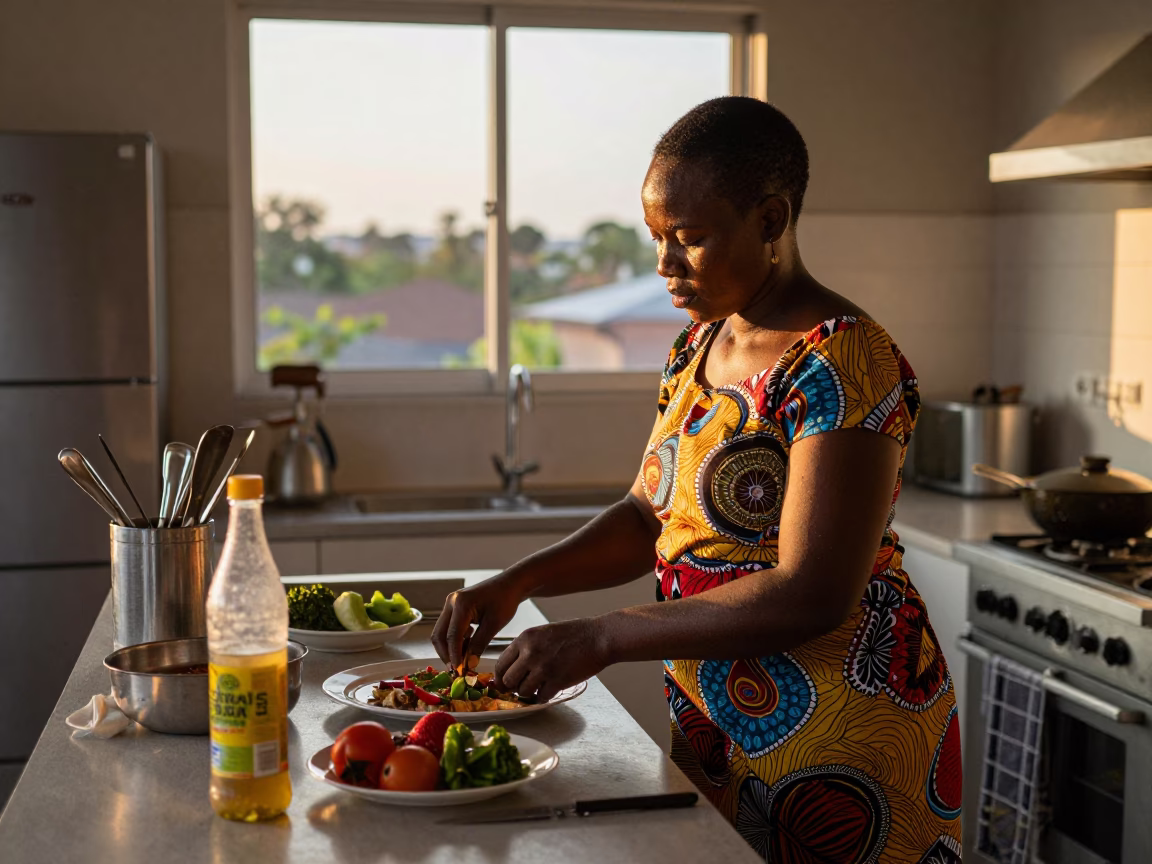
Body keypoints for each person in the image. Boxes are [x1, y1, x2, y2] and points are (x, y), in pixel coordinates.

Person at [432, 97, 962, 864]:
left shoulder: (840, 359)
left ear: (772, 219)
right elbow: (649, 517)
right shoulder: (697, 347)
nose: (664, 264)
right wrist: (517, 580)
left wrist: (606, 635)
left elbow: (812, 589)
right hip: (719, 731)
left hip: (846, 745)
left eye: (691, 238)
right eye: (657, 238)